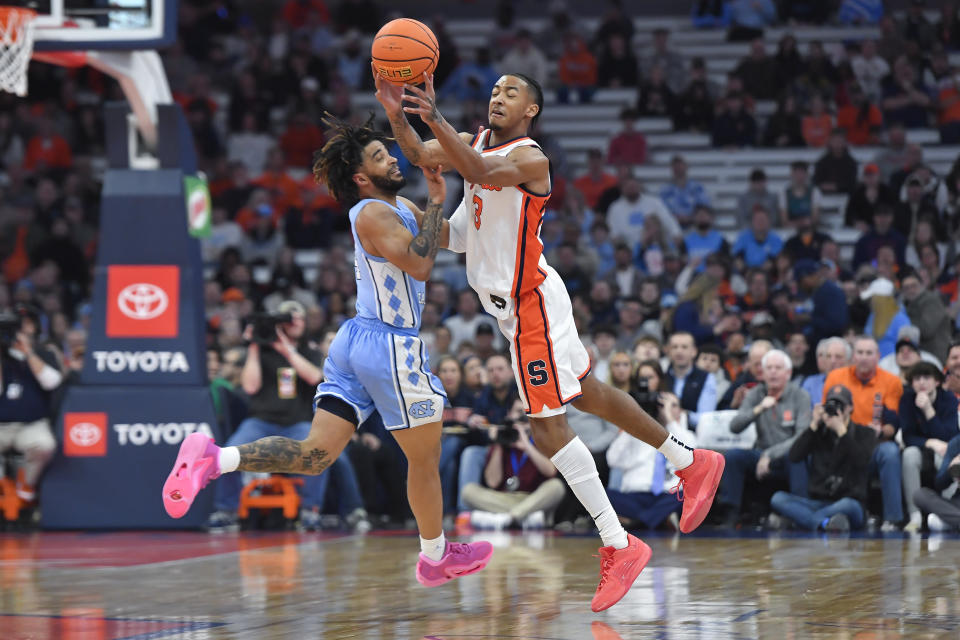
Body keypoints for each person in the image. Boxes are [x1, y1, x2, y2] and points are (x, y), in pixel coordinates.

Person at [380, 69, 724, 612]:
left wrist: (436, 119)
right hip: (517, 306)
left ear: (531, 110)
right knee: (588, 393)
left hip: (530, 305)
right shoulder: (470, 143)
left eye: (511, 92)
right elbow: (428, 160)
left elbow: (474, 168)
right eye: (494, 89)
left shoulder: (530, 157)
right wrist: (398, 111)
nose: (498, 96)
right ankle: (689, 460)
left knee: (546, 427)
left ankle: (619, 542)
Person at [162, 115, 493, 586]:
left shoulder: (396, 205)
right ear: (360, 177)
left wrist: (466, 178)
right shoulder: (373, 212)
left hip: (356, 339)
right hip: (388, 343)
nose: (393, 157)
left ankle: (215, 460)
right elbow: (420, 264)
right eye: (380, 156)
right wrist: (439, 198)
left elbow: (447, 239)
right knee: (424, 457)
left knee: (314, 455)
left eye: (388, 151)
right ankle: (435, 555)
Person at [718, 349, 811, 526]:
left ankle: (800, 514)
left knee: (798, 457)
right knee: (732, 456)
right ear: (762, 373)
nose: (773, 372)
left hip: (787, 455)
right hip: (760, 455)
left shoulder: (800, 396)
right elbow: (734, 427)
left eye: (778, 368)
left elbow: (802, 437)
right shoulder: (756, 394)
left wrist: (769, 454)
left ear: (788, 373)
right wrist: (758, 408)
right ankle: (730, 515)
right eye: (769, 368)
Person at [770, 384, 877, 531]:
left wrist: (841, 431)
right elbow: (794, 456)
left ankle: (801, 520)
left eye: (841, 406)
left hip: (850, 502)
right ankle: (825, 523)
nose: (835, 411)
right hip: (819, 501)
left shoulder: (865, 433)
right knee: (778, 498)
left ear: (850, 408)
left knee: (847, 505)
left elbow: (861, 462)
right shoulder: (818, 433)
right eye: (831, 405)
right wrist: (813, 424)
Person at [462, 399, 566, 529]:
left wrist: (526, 445)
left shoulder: (542, 439)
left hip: (533, 499)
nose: (523, 416)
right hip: (503, 498)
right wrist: (498, 442)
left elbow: (550, 472)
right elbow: (493, 482)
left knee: (556, 487)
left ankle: (508, 518)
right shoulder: (502, 438)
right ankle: (524, 518)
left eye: (527, 412)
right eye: (518, 412)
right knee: (468, 491)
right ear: (509, 415)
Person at [0, 306, 60, 502]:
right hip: (1, 426)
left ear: (34, 328)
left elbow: (52, 382)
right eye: (14, 325)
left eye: (24, 324)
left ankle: (26, 484)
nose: (19, 330)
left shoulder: (43, 353)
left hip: (31, 425)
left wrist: (28, 353)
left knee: (44, 444)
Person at [898, 361, 959, 532]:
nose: (922, 382)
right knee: (909, 455)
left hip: (946, 448)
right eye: (917, 378)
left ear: (937, 381)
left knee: (946, 457)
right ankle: (915, 516)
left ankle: (950, 510)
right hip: (922, 448)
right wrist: (929, 442)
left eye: (927, 377)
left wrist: (928, 410)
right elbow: (908, 436)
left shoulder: (948, 399)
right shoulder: (907, 400)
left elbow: (950, 437)